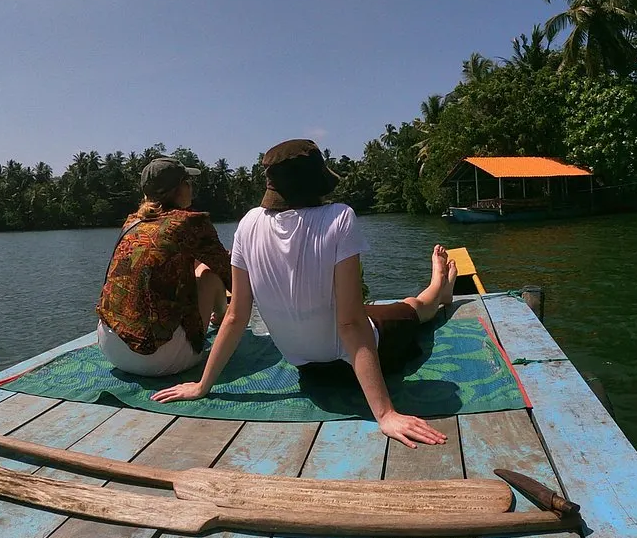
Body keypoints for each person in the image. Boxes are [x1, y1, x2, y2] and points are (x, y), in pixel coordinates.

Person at [153, 139, 456, 448]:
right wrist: (385, 413)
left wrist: (203, 385)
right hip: (348, 360)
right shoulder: (339, 218)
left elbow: (235, 316)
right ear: (315, 182)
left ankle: (439, 286)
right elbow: (351, 324)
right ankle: (439, 289)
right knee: (413, 307)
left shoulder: (247, 224)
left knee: (367, 310)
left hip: (305, 367)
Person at [95, 156, 232, 377]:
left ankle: (218, 314)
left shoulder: (132, 222)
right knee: (209, 274)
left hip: (110, 347)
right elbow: (229, 274)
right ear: (179, 189)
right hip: (159, 358)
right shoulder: (190, 222)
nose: (191, 187)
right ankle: (223, 317)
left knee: (194, 263)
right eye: (188, 181)